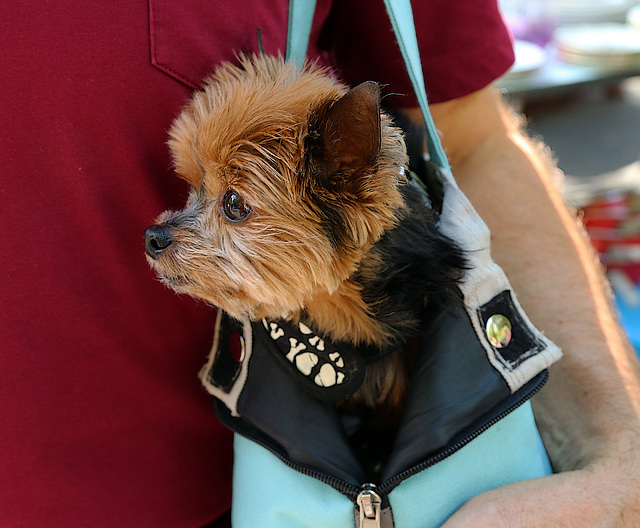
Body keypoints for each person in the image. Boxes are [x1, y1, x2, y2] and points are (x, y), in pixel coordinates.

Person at [1, 1, 638, 527]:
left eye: (234, 208)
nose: (165, 235)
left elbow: (470, 136)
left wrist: (615, 452)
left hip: (258, 491)